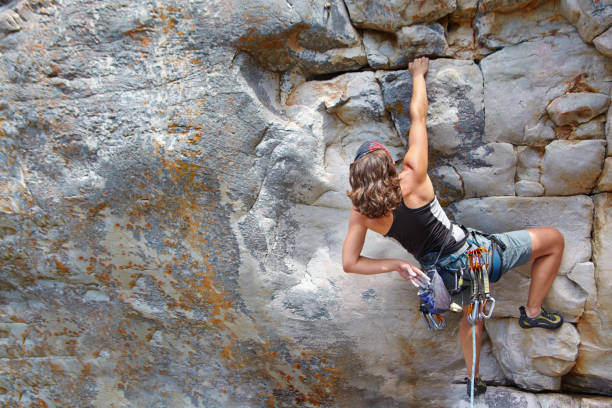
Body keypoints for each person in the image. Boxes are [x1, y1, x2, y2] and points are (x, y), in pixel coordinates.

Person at [341, 57, 564, 397]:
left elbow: (350, 263)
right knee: (553, 240)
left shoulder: (362, 212)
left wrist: (398, 265)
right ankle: (532, 312)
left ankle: (474, 381)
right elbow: (419, 115)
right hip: (474, 256)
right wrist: (418, 75)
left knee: (473, 314)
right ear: (388, 164)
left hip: (439, 279)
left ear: (357, 176)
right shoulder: (412, 175)